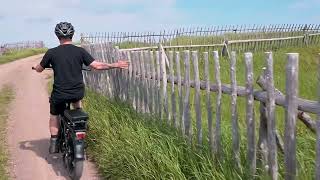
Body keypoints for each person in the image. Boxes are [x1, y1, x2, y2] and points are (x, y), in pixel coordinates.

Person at [32, 22, 129, 153]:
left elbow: (39, 69)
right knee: (77, 103)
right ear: (72, 35)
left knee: (54, 115)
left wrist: (36, 67)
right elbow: (97, 66)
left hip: (59, 94)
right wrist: (115, 64)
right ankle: (81, 127)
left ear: (57, 36)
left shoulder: (51, 53)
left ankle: (54, 142)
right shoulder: (80, 51)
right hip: (77, 93)